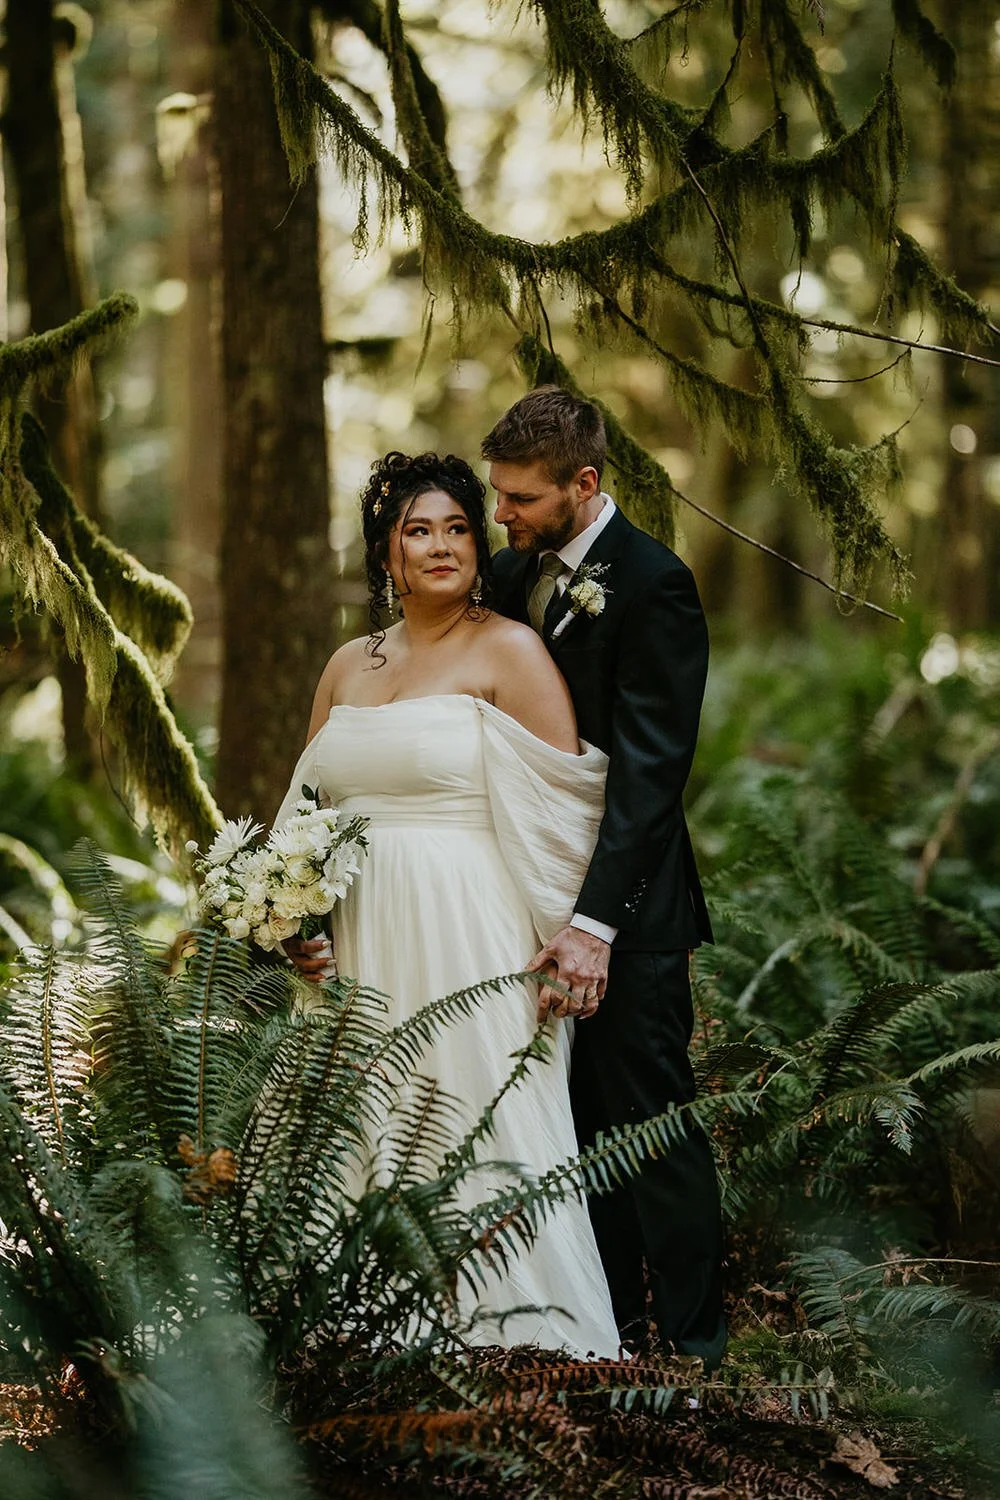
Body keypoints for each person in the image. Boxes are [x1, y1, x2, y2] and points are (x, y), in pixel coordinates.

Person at [278, 449, 622, 1358]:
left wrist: (574, 940)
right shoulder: (346, 666)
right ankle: (362, 1346)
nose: (440, 546)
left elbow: (568, 810)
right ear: (385, 554)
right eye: (417, 531)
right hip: (359, 937)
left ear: (478, 544)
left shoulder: (511, 650)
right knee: (362, 1120)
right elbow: (305, 813)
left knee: (474, 1115)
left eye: (459, 528)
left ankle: (514, 1349)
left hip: (472, 933)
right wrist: (293, 921)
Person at [482, 386, 726, 1370]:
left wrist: (595, 925)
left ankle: (698, 1347)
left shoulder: (655, 582)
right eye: (499, 494)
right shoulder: (510, 574)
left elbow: (650, 774)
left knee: (652, 1126)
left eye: (522, 498)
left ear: (583, 484)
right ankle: (610, 1333)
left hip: (630, 911)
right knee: (577, 1129)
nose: (502, 513)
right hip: (527, 904)